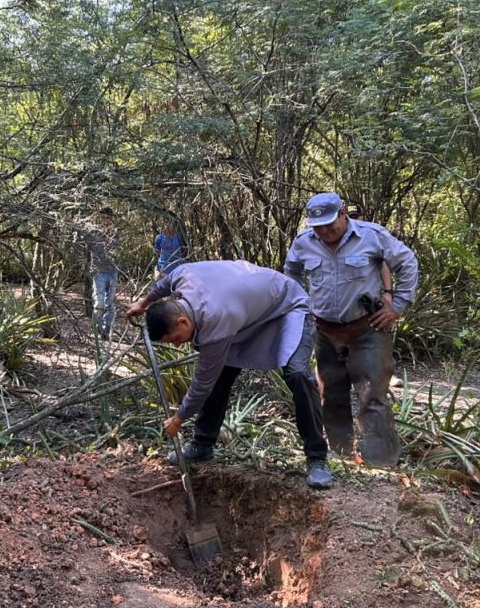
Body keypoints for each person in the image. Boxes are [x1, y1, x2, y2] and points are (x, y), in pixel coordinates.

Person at [126, 260, 332, 489]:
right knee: (220, 374)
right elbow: (164, 284)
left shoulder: (214, 318)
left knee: (298, 374)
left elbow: (202, 383)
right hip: (249, 317)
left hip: (289, 309)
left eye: (175, 339)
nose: (177, 345)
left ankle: (317, 458)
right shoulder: (183, 276)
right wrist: (143, 303)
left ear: (182, 321)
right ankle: (203, 445)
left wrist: (179, 418)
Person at [285, 192, 419, 468]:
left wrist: (398, 305)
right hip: (324, 331)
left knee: (372, 395)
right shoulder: (304, 242)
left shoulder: (372, 236)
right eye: (318, 227)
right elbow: (292, 273)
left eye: (329, 225)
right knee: (330, 394)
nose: (324, 232)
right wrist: (301, 306)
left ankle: (379, 463)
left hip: (366, 329)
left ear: (343, 215)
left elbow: (407, 262)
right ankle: (341, 456)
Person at [80, 207, 120, 339]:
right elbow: (81, 244)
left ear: (112, 219)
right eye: (102, 218)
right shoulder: (93, 232)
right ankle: (97, 329)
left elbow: (118, 250)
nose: (105, 220)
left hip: (113, 271)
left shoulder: (116, 233)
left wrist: (109, 239)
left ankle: (106, 331)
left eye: (107, 218)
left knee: (110, 303)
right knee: (99, 303)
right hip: (98, 271)